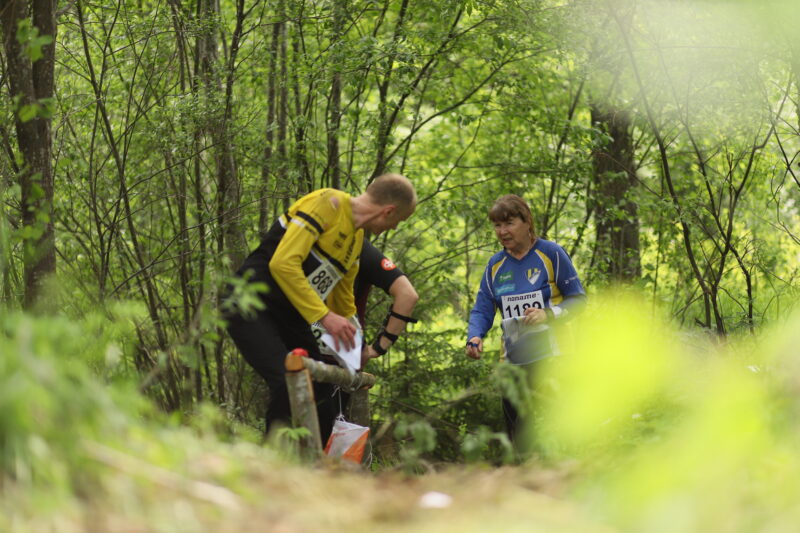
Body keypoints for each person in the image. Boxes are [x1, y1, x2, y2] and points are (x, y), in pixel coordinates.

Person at [224, 174, 416, 443]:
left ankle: (315, 461)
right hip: (250, 302)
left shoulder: (356, 238)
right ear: (388, 211)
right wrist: (324, 316)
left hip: (290, 317)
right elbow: (283, 263)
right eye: (398, 221)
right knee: (289, 380)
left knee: (324, 386)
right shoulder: (328, 203)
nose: (394, 227)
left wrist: (356, 345)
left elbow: (343, 297)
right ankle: (272, 459)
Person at [465, 194, 586, 445]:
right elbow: (482, 309)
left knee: (557, 431)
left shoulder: (551, 253)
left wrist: (548, 314)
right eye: (497, 225)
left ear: (527, 222)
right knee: (519, 437)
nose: (502, 231)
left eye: (509, 223)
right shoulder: (495, 265)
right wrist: (474, 336)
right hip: (513, 361)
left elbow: (578, 300)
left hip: (554, 356)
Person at [311, 239, 419, 367]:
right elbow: (407, 295)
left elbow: (407, 295)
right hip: (341, 358)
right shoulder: (359, 246)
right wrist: (379, 347)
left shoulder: (358, 247)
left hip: (336, 358)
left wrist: (378, 348)